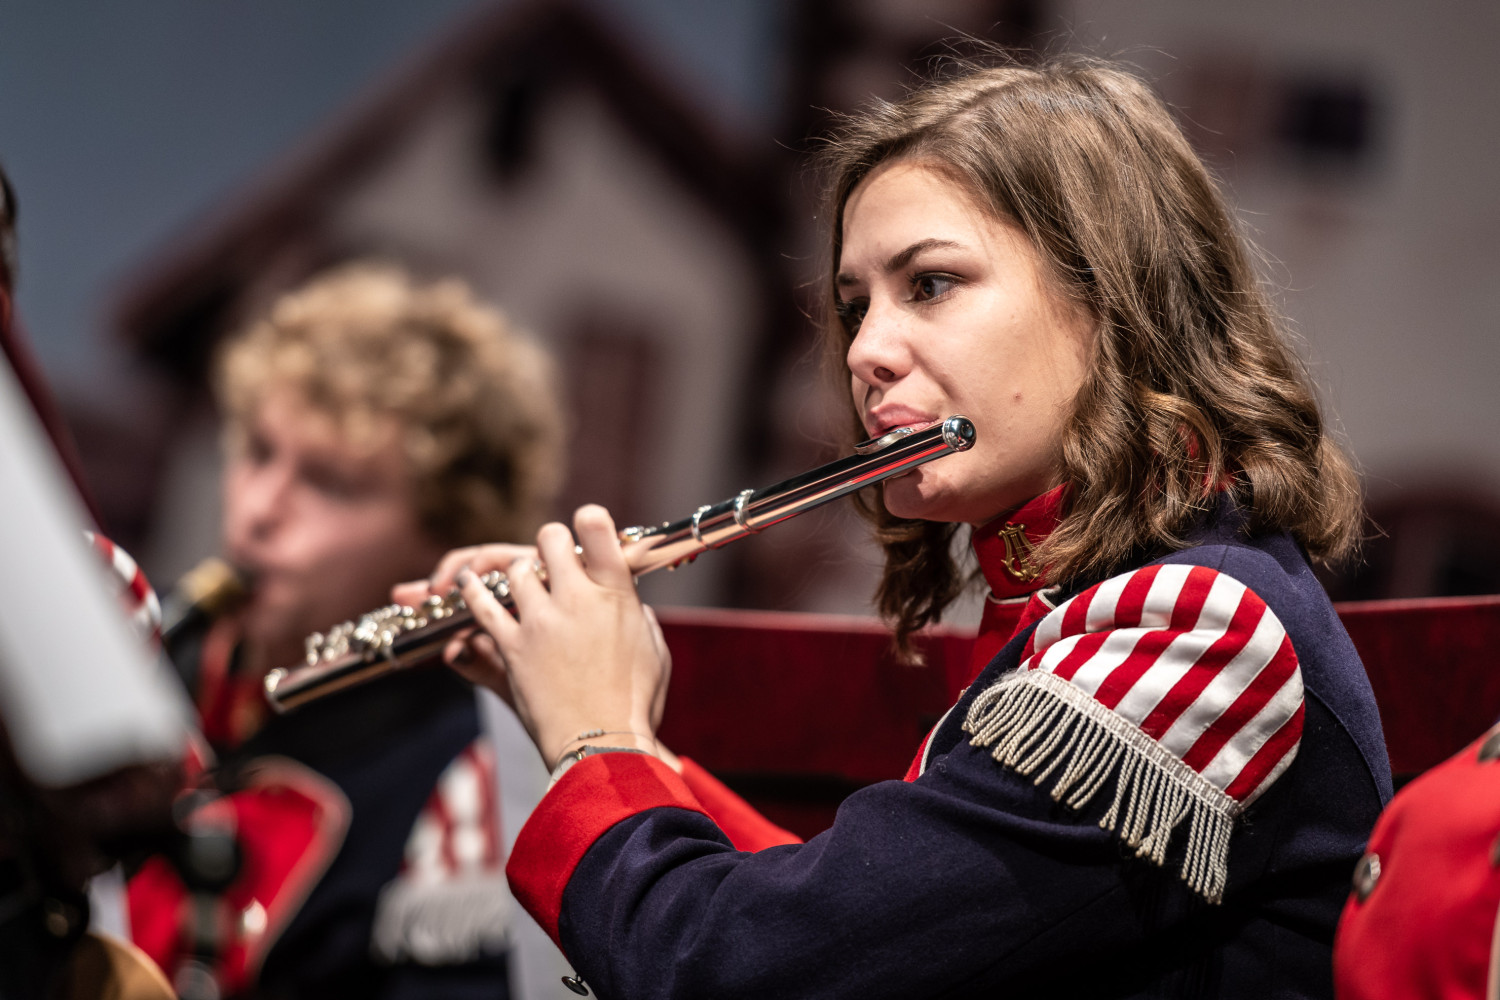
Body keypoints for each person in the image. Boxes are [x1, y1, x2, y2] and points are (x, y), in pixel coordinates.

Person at [406, 55, 1392, 998]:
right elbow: (844, 922)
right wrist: (577, 701)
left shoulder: (1197, 629)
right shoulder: (1092, 601)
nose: (866, 351)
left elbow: (735, 972)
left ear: (1113, 298)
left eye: (931, 285)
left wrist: (596, 737)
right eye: (854, 306)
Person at [126, 262, 565, 999]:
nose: (259, 511)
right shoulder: (144, 639)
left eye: (330, 484)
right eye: (258, 451)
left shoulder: (469, 775)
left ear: (446, 536)